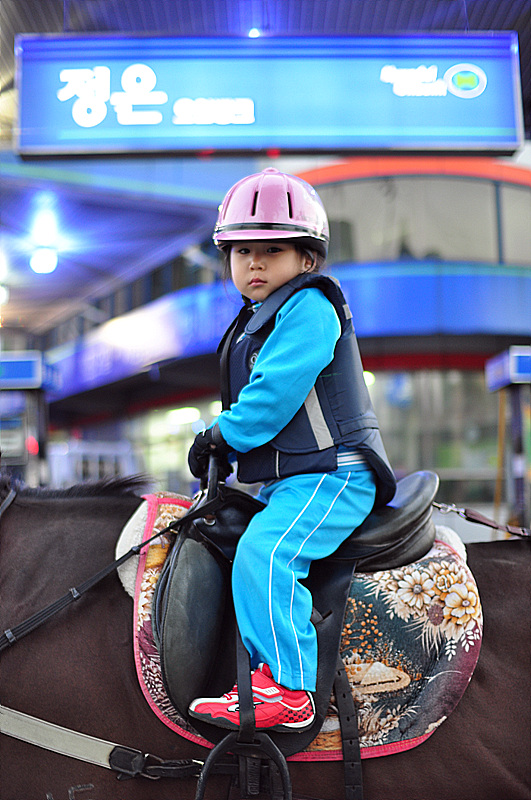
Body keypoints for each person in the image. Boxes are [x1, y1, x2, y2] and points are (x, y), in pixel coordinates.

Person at [187, 167, 396, 733]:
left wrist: (218, 435)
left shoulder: (309, 308)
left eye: (272, 251)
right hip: (296, 480)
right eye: (243, 251)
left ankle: (290, 690)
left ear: (307, 259)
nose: (254, 263)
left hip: (334, 475)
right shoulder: (261, 317)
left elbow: (272, 397)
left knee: (266, 552)